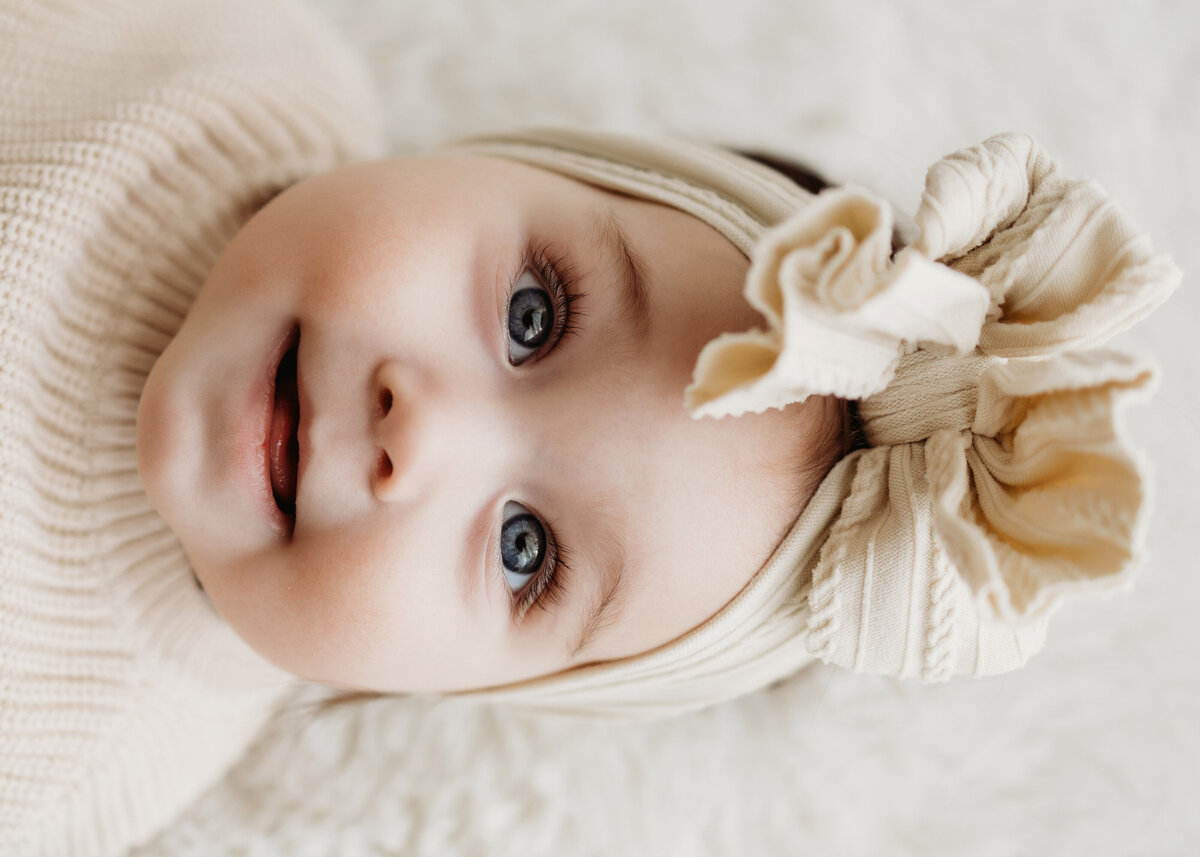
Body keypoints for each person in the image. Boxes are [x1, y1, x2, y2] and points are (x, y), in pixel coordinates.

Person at [0, 0, 1179, 855]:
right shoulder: (225, 51)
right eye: (532, 314)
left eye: (527, 550)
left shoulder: (90, 756)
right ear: (501, 162)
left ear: (444, 689)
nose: (430, 434)